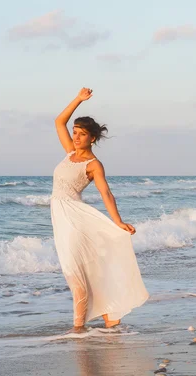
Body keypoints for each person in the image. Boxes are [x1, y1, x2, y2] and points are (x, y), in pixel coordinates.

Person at [51, 87, 149, 334]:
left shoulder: (94, 164)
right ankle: (108, 318)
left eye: (82, 134)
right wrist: (78, 100)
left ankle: (78, 328)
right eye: (75, 132)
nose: (76, 137)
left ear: (92, 138)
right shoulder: (69, 153)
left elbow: (106, 193)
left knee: (74, 273)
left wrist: (118, 222)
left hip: (75, 218)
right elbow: (58, 121)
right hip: (62, 218)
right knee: (80, 270)